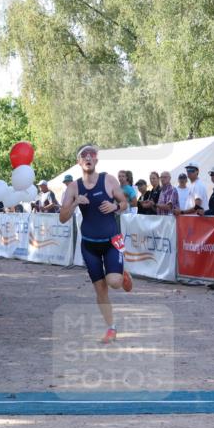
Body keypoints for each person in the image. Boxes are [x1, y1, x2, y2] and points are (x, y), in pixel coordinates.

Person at [59, 143, 133, 343]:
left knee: (114, 282)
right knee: (100, 288)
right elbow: (62, 218)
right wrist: (75, 202)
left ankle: (122, 274)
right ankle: (111, 328)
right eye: (84, 155)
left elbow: (125, 203)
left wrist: (115, 206)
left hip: (111, 241)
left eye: (92, 155)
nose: (88, 158)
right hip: (89, 245)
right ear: (79, 161)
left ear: (96, 159)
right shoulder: (74, 187)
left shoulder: (108, 180)